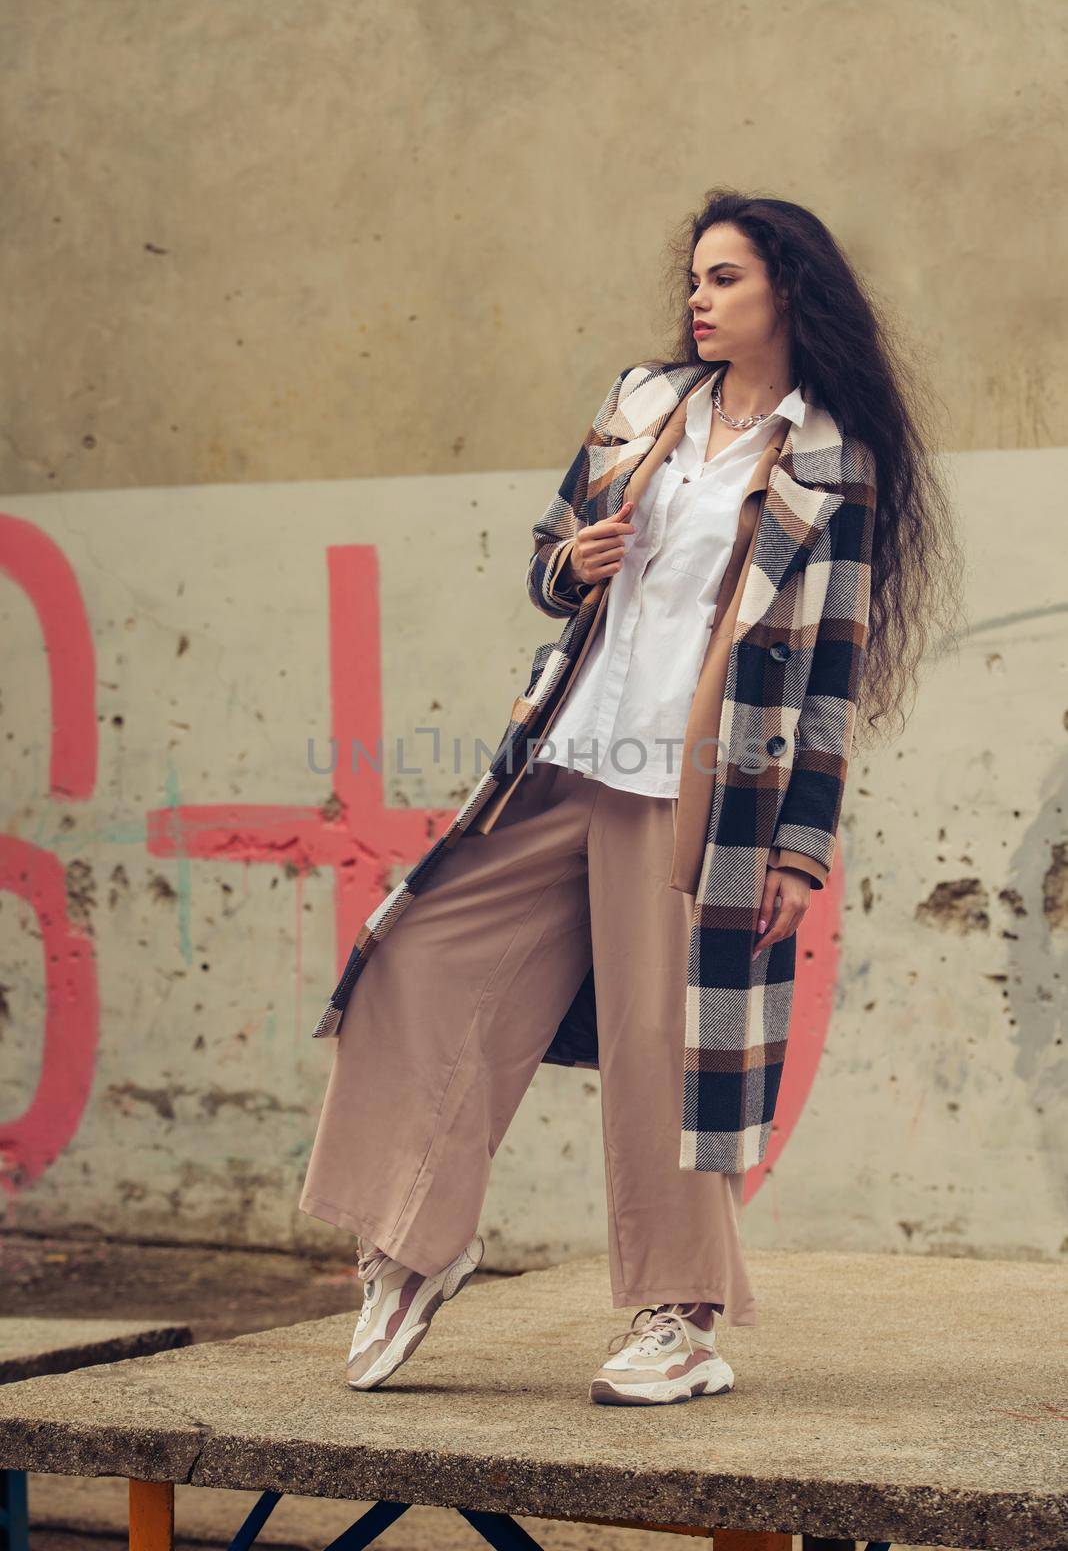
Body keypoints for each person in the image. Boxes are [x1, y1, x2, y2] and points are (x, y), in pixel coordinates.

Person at [299, 187, 960, 1406]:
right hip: (567, 753)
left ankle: (681, 1320)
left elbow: (832, 674)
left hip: (699, 795)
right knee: (417, 956)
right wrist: (575, 559)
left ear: (787, 294)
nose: (698, 302)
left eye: (724, 280)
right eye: (696, 281)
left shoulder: (831, 463)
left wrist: (800, 852)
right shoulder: (642, 403)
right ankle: (411, 1243)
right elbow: (556, 551)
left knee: (671, 1050)